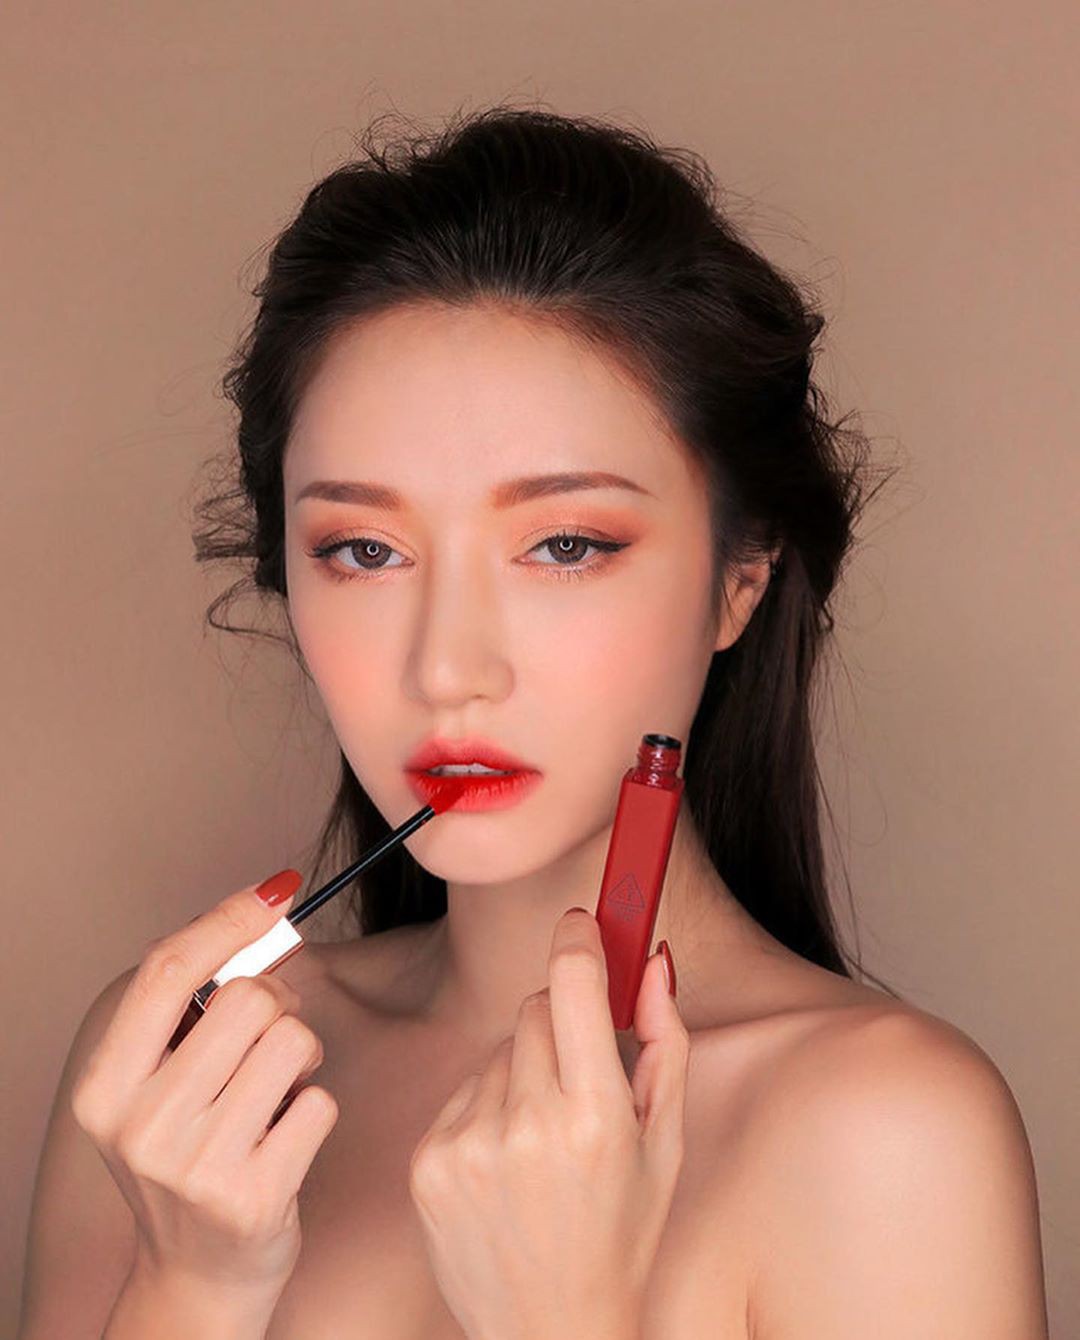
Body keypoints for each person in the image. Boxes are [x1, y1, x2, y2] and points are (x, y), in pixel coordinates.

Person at [18, 106, 1049, 1339]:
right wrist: (191, 1285)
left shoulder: (886, 1132)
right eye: (364, 549)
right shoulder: (173, 1084)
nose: (449, 666)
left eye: (565, 544)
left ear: (741, 576)